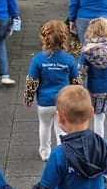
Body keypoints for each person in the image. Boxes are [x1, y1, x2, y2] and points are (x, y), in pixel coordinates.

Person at [23, 19, 81, 161]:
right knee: (61, 128)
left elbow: (31, 82)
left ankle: (45, 152)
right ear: (64, 38)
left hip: (44, 102)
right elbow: (76, 82)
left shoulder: (38, 60)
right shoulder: (69, 60)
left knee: (44, 125)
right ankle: (62, 152)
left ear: (44, 37)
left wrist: (28, 99)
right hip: (63, 102)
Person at [78, 16, 107, 150]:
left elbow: (81, 70)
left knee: (98, 116)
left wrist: (78, 85)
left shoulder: (86, 51)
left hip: (96, 88)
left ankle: (99, 142)